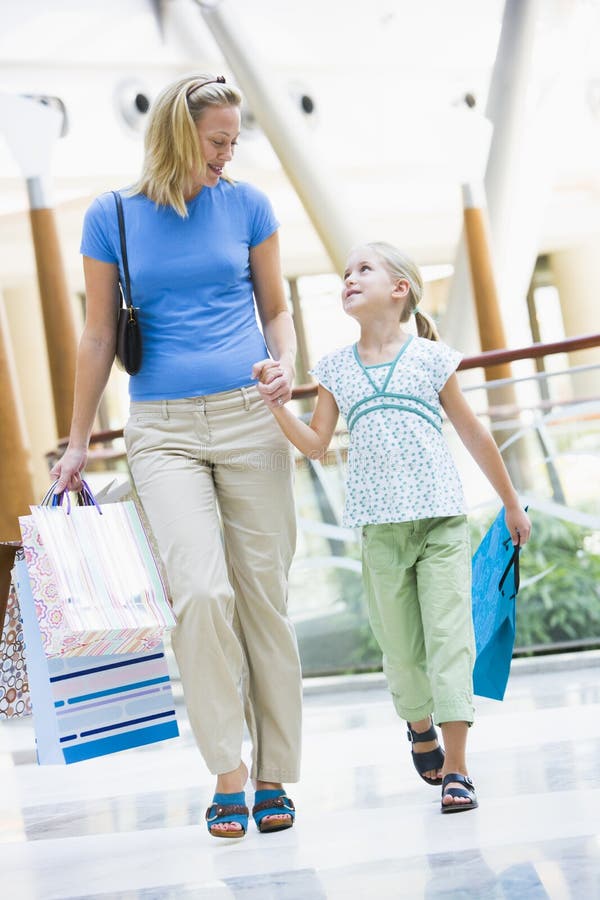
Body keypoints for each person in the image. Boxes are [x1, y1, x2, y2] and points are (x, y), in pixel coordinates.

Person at [51, 74, 303, 839]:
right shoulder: (112, 216)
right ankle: (226, 767)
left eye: (234, 139)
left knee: (264, 597)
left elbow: (276, 308)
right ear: (176, 134)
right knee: (199, 593)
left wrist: (284, 363)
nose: (230, 152)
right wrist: (74, 442)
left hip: (250, 417)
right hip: (159, 427)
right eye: (219, 139)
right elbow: (98, 336)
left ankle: (272, 775)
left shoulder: (249, 206)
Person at [255, 241, 531, 814]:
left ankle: (457, 769)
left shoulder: (433, 359)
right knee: (403, 652)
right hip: (380, 533)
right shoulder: (334, 369)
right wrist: (277, 406)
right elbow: (316, 444)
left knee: (451, 641)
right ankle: (419, 725)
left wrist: (510, 502)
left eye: (364, 270)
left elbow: (477, 434)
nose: (349, 278)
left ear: (399, 289)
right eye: (346, 273)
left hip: (440, 524)